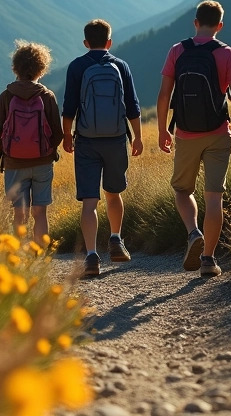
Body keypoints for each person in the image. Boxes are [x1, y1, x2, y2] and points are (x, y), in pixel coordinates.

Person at [157, 0, 231, 278]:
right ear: (220, 25)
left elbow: (164, 95)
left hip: (185, 133)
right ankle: (208, 259)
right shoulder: (228, 54)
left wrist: (163, 129)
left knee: (183, 191)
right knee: (214, 198)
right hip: (219, 133)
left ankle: (193, 232)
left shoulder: (177, 50)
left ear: (195, 23)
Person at [62, 19, 143, 277]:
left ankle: (91, 256)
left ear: (86, 43)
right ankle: (116, 239)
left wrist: (66, 135)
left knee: (89, 201)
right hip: (117, 139)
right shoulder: (121, 65)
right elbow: (132, 105)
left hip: (86, 141)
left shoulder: (77, 66)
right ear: (109, 42)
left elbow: (69, 106)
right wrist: (138, 137)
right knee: (114, 192)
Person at [0, 41, 65, 244]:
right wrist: (46, 150)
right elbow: (57, 133)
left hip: (14, 164)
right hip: (42, 163)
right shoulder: (47, 96)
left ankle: (19, 258)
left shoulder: (6, 96)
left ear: (16, 67)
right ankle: (40, 255)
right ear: (42, 67)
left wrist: (9, 149)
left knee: (19, 214)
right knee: (40, 212)